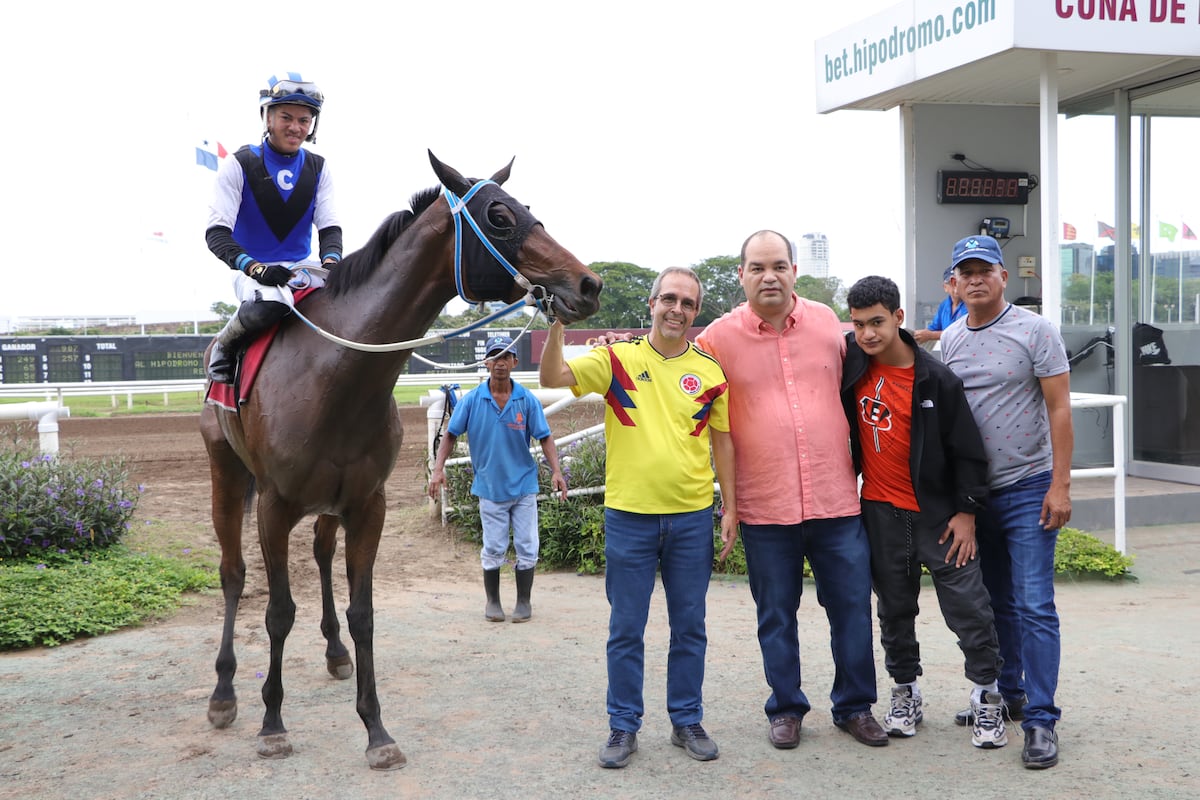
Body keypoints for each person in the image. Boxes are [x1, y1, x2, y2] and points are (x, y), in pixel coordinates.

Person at [539, 267, 737, 769]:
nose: (677, 309)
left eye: (687, 303)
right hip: (629, 517)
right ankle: (623, 725)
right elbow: (552, 378)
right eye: (668, 299)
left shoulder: (710, 372)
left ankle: (686, 719)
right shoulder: (616, 359)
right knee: (626, 628)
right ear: (651, 304)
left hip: (692, 518)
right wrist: (557, 323)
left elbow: (722, 441)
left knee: (689, 626)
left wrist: (730, 506)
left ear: (696, 312)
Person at [694, 230, 886, 750]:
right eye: (757, 267)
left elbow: (879, 352)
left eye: (779, 265)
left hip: (836, 498)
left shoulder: (828, 322)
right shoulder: (716, 338)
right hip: (764, 503)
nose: (769, 276)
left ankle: (854, 706)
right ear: (741, 276)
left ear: (794, 271)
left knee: (850, 607)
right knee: (775, 613)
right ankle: (785, 708)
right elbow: (684, 388)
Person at [841, 275, 1008, 750]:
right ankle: (905, 693)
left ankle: (986, 697)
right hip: (881, 513)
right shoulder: (853, 366)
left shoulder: (937, 378)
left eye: (877, 322)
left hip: (940, 518)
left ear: (898, 318)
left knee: (970, 610)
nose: (868, 334)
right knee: (894, 611)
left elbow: (969, 453)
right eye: (858, 325)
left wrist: (967, 512)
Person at [941, 234, 1074, 770]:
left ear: (1002, 276)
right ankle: (1008, 693)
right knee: (994, 602)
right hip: (978, 497)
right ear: (954, 282)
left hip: (1027, 488)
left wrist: (1060, 484)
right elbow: (948, 424)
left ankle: (1041, 720)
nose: (976, 279)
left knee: (1034, 602)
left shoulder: (1035, 330)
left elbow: (1060, 409)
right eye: (965, 272)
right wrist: (958, 500)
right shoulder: (949, 340)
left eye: (985, 270)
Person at [204, 72, 343, 384]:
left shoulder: (318, 167)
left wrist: (332, 263)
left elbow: (330, 226)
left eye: (304, 120)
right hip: (253, 272)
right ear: (267, 117)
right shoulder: (239, 164)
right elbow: (216, 233)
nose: (295, 127)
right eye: (286, 117)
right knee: (272, 303)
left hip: (303, 268)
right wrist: (254, 268)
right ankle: (224, 346)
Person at [428, 335, 567, 622]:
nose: (500, 363)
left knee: (528, 544)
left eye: (506, 357)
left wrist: (556, 471)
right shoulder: (472, 401)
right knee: (493, 546)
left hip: (524, 486)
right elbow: (451, 435)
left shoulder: (526, 400)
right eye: (495, 357)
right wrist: (438, 469)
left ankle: (523, 603)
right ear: (487, 362)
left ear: (514, 362)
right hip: (490, 488)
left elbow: (545, 438)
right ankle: (493, 602)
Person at [913, 266, 967, 346]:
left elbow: (962, 333)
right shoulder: (944, 305)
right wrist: (917, 335)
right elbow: (934, 328)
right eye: (951, 283)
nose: (955, 286)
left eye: (958, 282)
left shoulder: (970, 305)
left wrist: (930, 336)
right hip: (948, 354)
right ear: (945, 287)